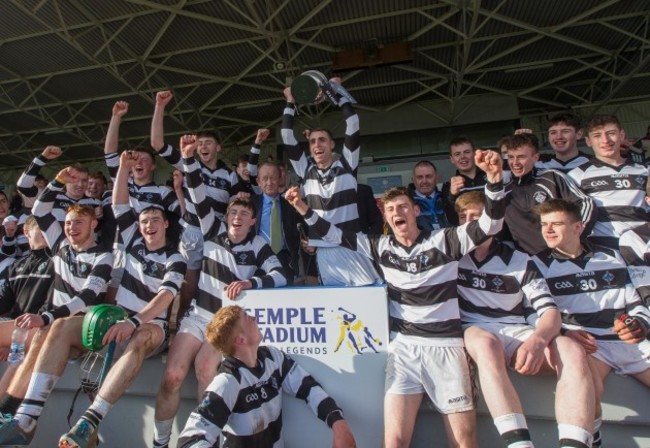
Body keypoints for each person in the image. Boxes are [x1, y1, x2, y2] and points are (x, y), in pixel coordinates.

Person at [287, 149, 506, 448]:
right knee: (393, 442)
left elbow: (490, 225)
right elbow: (332, 233)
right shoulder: (379, 247)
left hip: (446, 349)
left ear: (415, 211)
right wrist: (301, 206)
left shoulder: (445, 240)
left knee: (464, 443)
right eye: (391, 209)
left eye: (403, 206)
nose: (397, 213)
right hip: (403, 350)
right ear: (385, 216)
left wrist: (494, 180)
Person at [152, 135, 287, 448]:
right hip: (198, 315)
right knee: (172, 376)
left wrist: (253, 283)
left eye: (243, 215)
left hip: (224, 322)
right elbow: (197, 191)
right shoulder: (212, 230)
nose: (236, 218)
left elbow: (280, 275)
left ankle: (208, 440)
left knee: (205, 371)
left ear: (253, 221)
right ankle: (161, 442)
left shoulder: (258, 245)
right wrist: (187, 159)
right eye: (232, 214)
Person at [57, 150, 187, 448]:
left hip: (149, 328)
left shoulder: (175, 257)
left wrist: (135, 320)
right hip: (119, 323)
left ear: (166, 224)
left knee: (141, 334)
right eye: (143, 221)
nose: (148, 224)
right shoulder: (132, 241)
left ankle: (91, 419)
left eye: (155, 219)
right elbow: (118, 202)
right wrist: (124, 170)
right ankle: (26, 414)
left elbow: (167, 295)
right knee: (61, 329)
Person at [456, 192, 595, 448]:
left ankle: (574, 443)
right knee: (486, 345)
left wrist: (539, 341)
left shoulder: (519, 260)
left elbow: (549, 312)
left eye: (476, 217)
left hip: (516, 328)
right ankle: (520, 444)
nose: (469, 223)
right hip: (475, 330)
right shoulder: (451, 257)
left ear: (493, 221)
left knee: (571, 350)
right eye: (463, 217)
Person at [0, 167, 113, 445]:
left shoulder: (104, 256)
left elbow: (86, 297)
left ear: (93, 225)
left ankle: (22, 416)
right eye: (68, 223)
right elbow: (39, 208)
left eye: (79, 223)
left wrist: (47, 316)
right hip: (53, 325)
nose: (72, 228)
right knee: (38, 331)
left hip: (86, 327)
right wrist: (58, 180)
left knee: (53, 326)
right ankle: (8, 415)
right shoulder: (60, 245)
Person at [532, 199, 650, 448]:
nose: (548, 230)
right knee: (587, 392)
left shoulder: (611, 255)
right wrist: (563, 331)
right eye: (544, 224)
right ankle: (593, 440)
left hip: (632, 343)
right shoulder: (538, 265)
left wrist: (638, 322)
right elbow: (532, 314)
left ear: (578, 227)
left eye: (556, 224)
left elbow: (635, 301)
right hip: (591, 346)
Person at [177, 305, 356, 448]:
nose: (254, 318)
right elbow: (189, 439)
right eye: (247, 317)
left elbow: (308, 388)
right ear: (241, 340)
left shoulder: (273, 357)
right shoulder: (228, 381)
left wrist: (337, 422)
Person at [281, 79, 380, 286]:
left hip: (353, 246)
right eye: (313, 141)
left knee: (367, 301)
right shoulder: (305, 170)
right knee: (338, 310)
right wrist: (290, 102)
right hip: (324, 250)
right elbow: (286, 135)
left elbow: (352, 123)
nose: (317, 144)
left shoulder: (347, 165)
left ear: (332, 144)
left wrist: (338, 93)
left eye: (322, 140)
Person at [501, 133, 595, 255]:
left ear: (535, 157)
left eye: (521, 157)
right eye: (511, 157)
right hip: (524, 262)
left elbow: (585, 203)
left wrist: (576, 238)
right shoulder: (501, 187)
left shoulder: (551, 177)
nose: (515, 162)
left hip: (560, 257)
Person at [568, 114, 649, 249]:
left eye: (611, 133)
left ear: (622, 135)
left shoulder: (645, 171)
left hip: (644, 246)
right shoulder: (576, 175)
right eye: (597, 135)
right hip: (603, 250)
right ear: (588, 141)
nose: (605, 140)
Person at [251, 162, 302, 284]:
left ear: (280, 179)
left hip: (285, 259)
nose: (269, 182)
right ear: (258, 181)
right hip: (258, 258)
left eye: (273, 178)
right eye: (265, 178)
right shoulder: (251, 204)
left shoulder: (291, 205)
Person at [441, 137, 488, 225]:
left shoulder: (491, 176)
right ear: (451, 159)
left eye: (467, 152)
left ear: (474, 154)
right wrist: (452, 196)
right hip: (468, 235)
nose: (462, 157)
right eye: (457, 154)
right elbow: (451, 220)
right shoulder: (448, 186)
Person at [411, 160, 450, 230]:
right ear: (413, 180)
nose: (424, 181)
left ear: (437, 179)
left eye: (428, 176)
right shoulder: (408, 203)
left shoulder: (446, 199)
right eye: (420, 177)